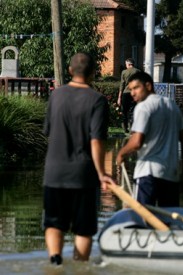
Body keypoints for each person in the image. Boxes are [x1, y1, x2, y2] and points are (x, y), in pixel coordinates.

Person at [42, 53, 114, 265]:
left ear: (70, 71)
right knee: (83, 229)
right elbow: (96, 141)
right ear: (93, 73)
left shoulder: (56, 96)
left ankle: (55, 262)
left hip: (54, 172)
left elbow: (48, 131)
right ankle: (80, 267)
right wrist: (102, 174)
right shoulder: (97, 100)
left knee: (54, 223)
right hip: (83, 175)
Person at [116, 71, 183, 207]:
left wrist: (121, 153)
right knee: (167, 221)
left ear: (148, 86)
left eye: (136, 88)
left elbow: (136, 141)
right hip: (170, 175)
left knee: (143, 219)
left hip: (148, 174)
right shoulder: (172, 106)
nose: (132, 93)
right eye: (131, 89)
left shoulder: (143, 107)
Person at [118, 58, 141, 133]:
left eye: (126, 64)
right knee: (133, 110)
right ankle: (132, 127)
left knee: (124, 110)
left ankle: (125, 127)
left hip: (125, 93)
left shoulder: (124, 72)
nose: (126, 66)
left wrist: (119, 97)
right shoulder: (138, 71)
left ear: (128, 64)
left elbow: (122, 84)